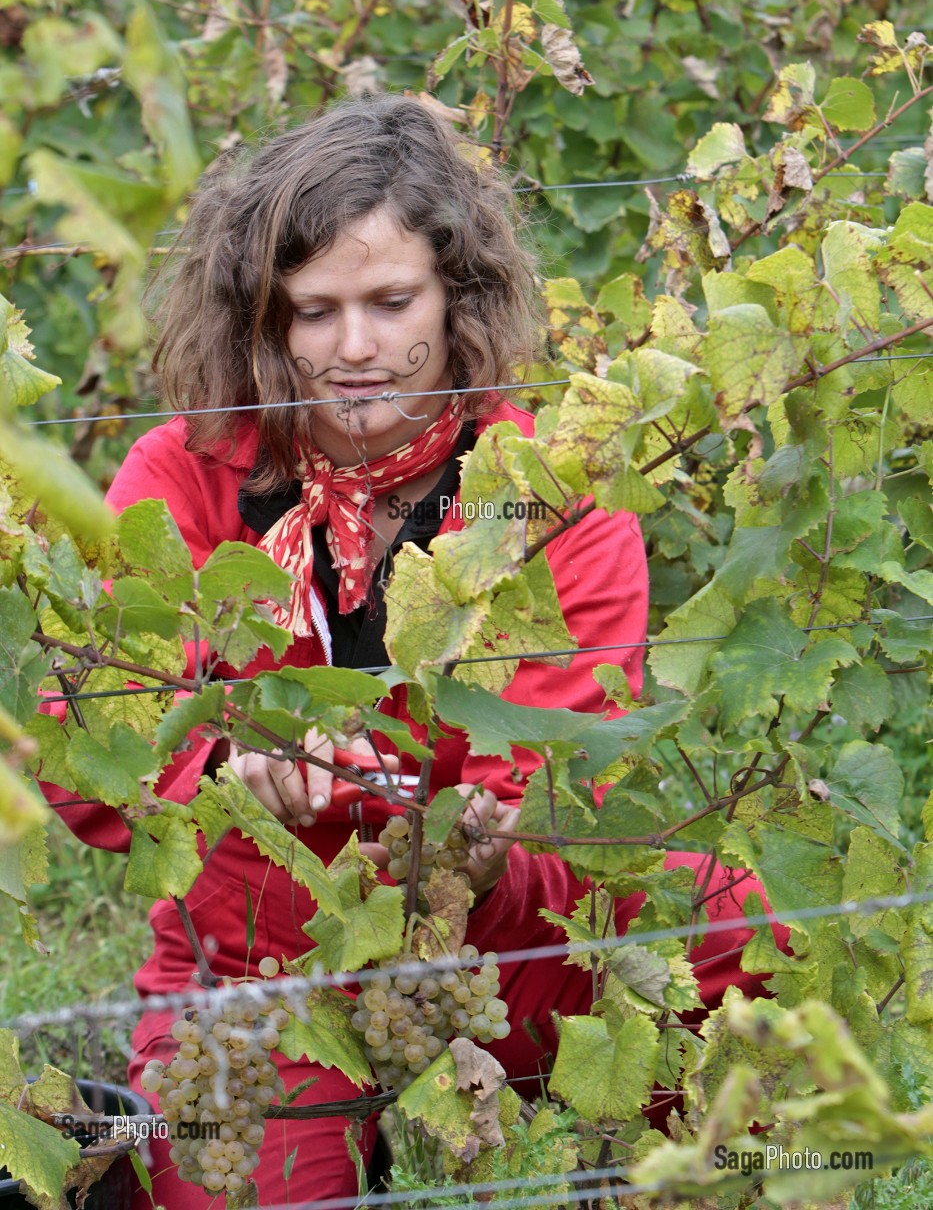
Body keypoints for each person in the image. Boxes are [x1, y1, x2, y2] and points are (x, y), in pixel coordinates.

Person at [41, 95, 782, 1207]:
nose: (356, 349)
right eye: (315, 311)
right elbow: (87, 749)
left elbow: (558, 782)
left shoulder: (544, 494)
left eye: (392, 303)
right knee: (221, 1185)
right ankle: (242, 1141)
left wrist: (485, 843)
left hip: (502, 933)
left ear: (457, 296)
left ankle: (665, 1179)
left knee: (746, 940)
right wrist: (220, 775)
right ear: (262, 322)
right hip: (266, 947)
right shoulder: (185, 473)